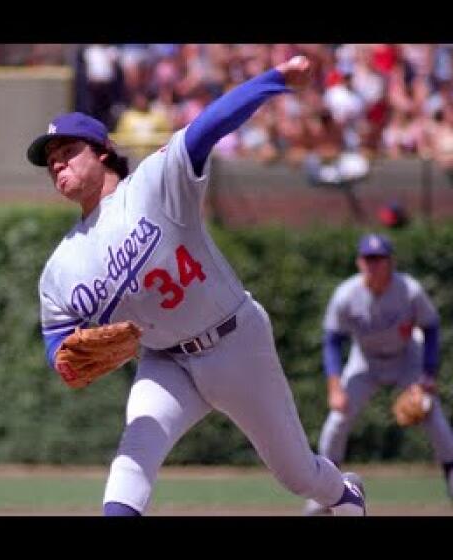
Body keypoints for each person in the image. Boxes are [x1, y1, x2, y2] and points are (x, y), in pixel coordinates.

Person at [28, 55, 367, 516]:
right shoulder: (61, 266)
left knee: (296, 475)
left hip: (235, 342)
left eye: (68, 152)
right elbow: (56, 336)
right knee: (135, 454)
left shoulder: (153, 184)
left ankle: (345, 496)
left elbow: (208, 126)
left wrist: (274, 81)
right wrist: (62, 360)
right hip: (166, 362)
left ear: (102, 150)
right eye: (50, 161)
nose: (57, 165)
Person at [305, 233, 453, 514]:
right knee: (338, 420)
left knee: (433, 416)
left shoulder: (409, 290)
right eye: (368, 259)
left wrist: (428, 375)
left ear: (391, 262)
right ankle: (323, 492)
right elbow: (333, 340)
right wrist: (335, 386)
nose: (373, 265)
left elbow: (431, 327)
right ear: (359, 262)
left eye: (379, 259)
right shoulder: (347, 295)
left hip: (407, 358)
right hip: (366, 362)